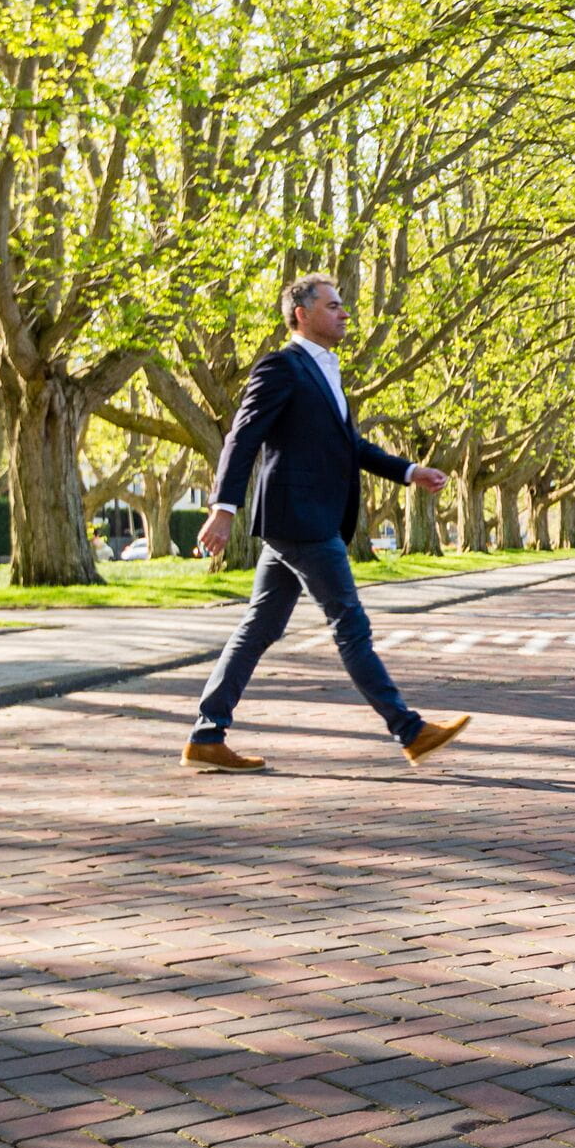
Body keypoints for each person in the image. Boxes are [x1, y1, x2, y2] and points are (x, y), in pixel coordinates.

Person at [181, 274, 469, 773]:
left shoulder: (327, 372)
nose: (344, 313)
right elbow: (242, 437)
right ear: (302, 313)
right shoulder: (281, 366)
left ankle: (207, 735)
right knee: (350, 624)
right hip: (303, 521)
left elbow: (350, 446)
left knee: (259, 627)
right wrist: (223, 507)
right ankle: (409, 730)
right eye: (333, 305)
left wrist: (409, 471)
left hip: (301, 521)